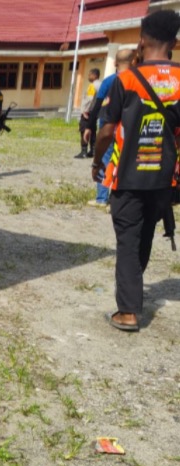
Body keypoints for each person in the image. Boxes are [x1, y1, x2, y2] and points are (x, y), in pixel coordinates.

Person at [92, 10, 180, 332]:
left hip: (127, 175)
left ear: (142, 40)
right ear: (174, 42)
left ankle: (128, 312)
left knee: (128, 241)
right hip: (163, 178)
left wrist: (96, 161)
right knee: (143, 236)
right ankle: (132, 293)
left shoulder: (126, 80)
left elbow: (106, 130)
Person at [86, 50, 136, 207]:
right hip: (128, 126)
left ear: (115, 63)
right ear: (133, 62)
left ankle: (101, 198)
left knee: (105, 159)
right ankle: (120, 199)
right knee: (126, 160)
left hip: (107, 124)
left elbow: (97, 105)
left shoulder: (108, 81)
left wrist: (89, 127)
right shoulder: (137, 80)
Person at [75, 68, 101, 158]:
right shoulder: (100, 85)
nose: (88, 76)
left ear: (95, 75)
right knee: (93, 131)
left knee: (84, 130)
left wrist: (85, 110)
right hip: (95, 112)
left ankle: (84, 150)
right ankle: (93, 150)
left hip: (88, 111)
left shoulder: (92, 86)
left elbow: (89, 99)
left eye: (90, 75)